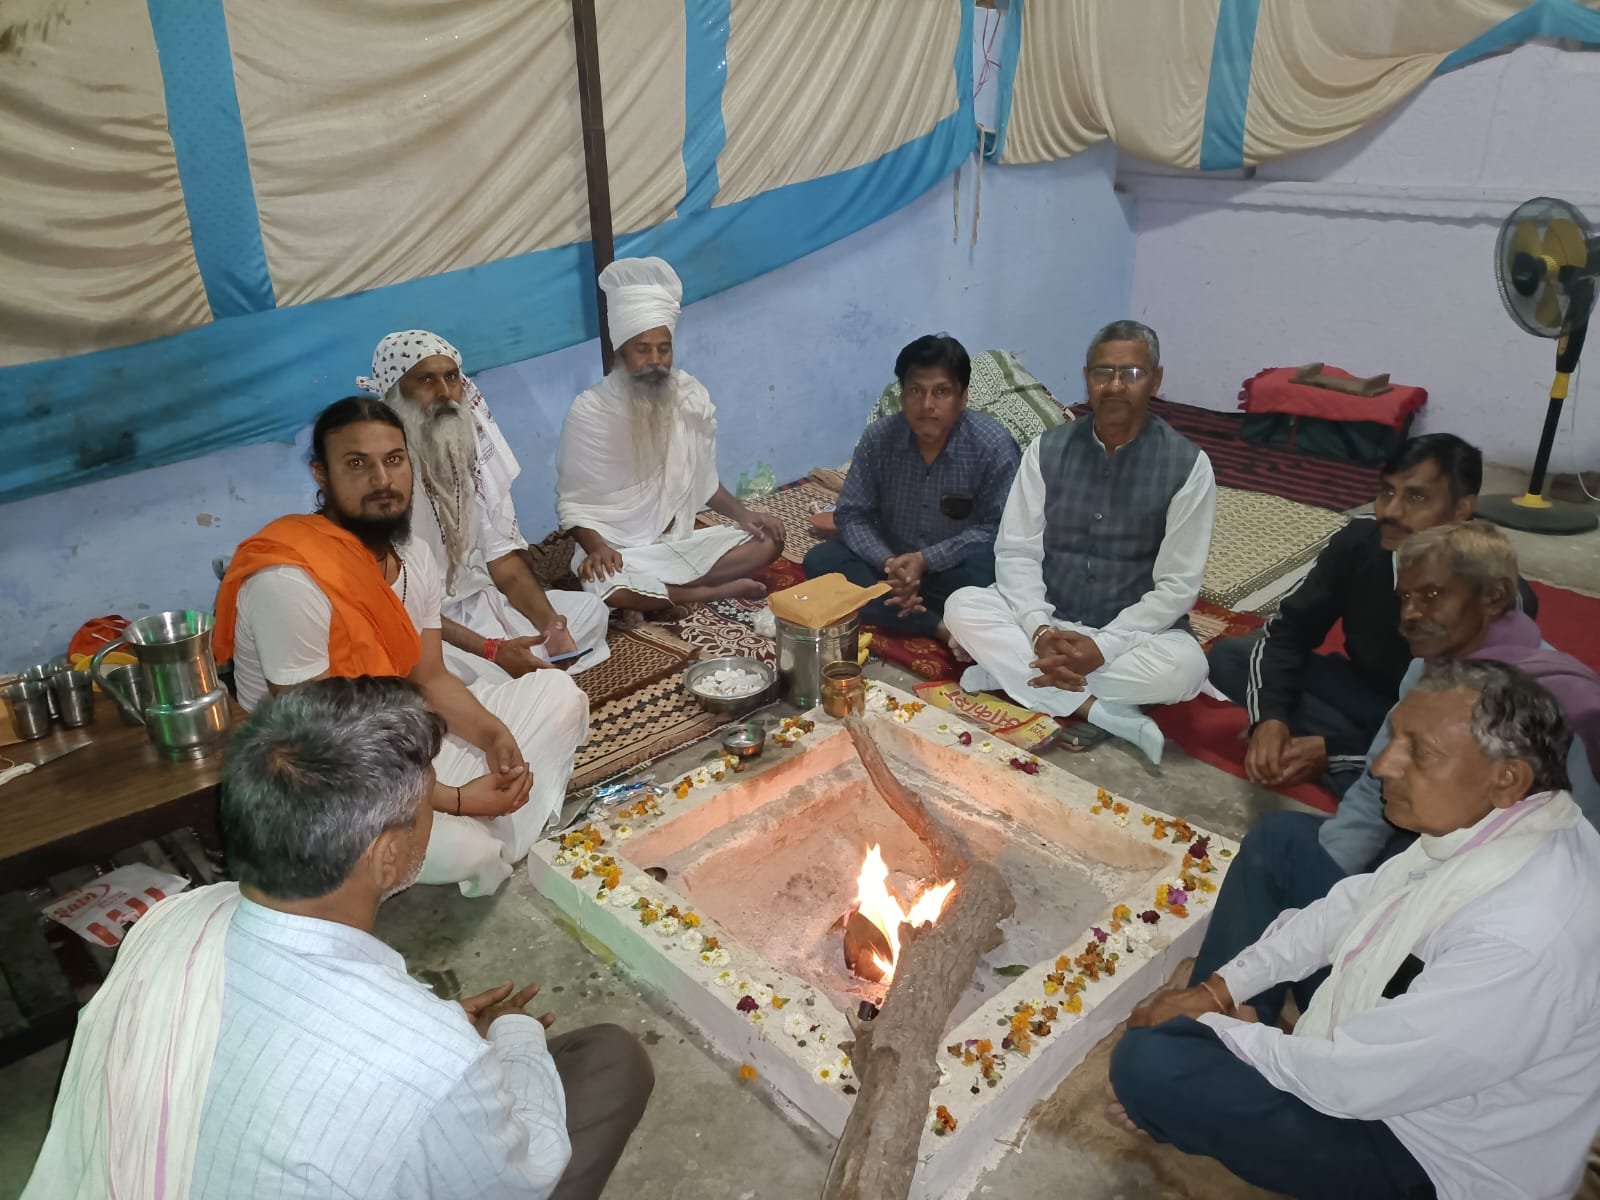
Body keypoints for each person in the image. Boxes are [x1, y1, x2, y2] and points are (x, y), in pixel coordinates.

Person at [23, 678, 652, 1200]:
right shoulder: (432, 1059)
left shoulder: (172, 918)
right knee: (610, 1059)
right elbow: (527, 1176)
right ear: (388, 854)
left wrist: (429, 1041)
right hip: (430, 1082)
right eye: (426, 806)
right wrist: (509, 1038)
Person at [1109, 660, 1600, 1200]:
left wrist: (1230, 1035)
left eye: (1420, 752)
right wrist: (1217, 992)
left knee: (1147, 1065)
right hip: (1405, 1043)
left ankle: (1201, 1069)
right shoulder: (1503, 822)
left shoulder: (1522, 939)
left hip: (1427, 1152)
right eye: (1396, 738)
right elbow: (1359, 904)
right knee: (1282, 842)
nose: (1384, 764)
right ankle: (1221, 1043)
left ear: (1507, 779)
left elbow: (1351, 1080)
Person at [1189, 522, 1600, 1029]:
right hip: (1417, 875)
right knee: (1286, 848)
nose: (1410, 613)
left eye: (1431, 596)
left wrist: (1369, 917)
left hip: (1476, 940)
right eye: (1405, 597)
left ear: (1494, 597)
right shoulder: (1430, 669)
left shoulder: (1562, 707)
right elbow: (1371, 792)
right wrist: (1322, 893)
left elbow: (1571, 867)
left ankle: (1248, 1027)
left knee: (1290, 882)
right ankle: (1229, 1012)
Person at [214, 398, 590, 897]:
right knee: (472, 852)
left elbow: (429, 677)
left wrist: (493, 735)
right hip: (320, 779)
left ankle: (458, 835)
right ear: (321, 474)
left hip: (398, 738)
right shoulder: (290, 580)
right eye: (357, 463)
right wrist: (454, 798)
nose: (382, 480)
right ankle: (471, 836)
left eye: (394, 460)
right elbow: (317, 742)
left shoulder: (414, 555)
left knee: (560, 694)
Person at [943, 320, 1216, 764]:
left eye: (1132, 373)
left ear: (1156, 380)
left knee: (1186, 670)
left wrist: (1103, 647)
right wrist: (1039, 630)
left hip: (1130, 635)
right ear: (1087, 377)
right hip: (1048, 621)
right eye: (1103, 372)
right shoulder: (1046, 450)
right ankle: (1101, 711)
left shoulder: (1188, 466)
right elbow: (1017, 551)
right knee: (962, 606)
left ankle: (1008, 674)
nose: (1115, 386)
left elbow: (1177, 586)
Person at [1209, 433, 1539, 796]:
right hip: (1362, 692)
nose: (1390, 512)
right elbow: (1288, 632)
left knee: (1451, 775)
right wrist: (1270, 720)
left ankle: (1352, 762)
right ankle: (1354, 763)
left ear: (1462, 510)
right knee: (1233, 657)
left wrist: (1334, 750)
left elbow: (1469, 725)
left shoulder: (1494, 595)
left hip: (1435, 719)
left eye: (1416, 497)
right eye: (1386, 492)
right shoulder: (1360, 541)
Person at [359, 329, 611, 684]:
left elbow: (503, 562)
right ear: (394, 393)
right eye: (426, 380)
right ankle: (509, 676)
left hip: (483, 605)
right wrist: (490, 650)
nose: (444, 392)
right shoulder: (380, 482)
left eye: (451, 378)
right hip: (425, 626)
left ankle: (520, 673)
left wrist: (550, 625)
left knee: (590, 611)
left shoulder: (471, 458)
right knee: (446, 669)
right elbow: (400, 602)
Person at [555, 257, 784, 617]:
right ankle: (711, 590)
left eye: (663, 348)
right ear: (621, 352)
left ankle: (666, 593)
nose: (655, 360)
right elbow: (575, 505)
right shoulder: (590, 411)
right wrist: (597, 549)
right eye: (642, 349)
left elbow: (702, 480)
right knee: (609, 586)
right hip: (619, 550)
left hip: (676, 542)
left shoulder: (688, 396)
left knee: (768, 541)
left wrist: (744, 515)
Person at [802, 334, 1020, 644]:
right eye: (916, 390)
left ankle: (897, 609)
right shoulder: (879, 439)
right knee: (821, 562)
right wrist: (889, 563)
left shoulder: (992, 445)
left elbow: (998, 528)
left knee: (993, 579)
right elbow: (851, 515)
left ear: (963, 398)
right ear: (902, 396)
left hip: (954, 570)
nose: (927, 405)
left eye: (941, 392)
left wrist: (926, 560)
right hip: (890, 567)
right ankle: (936, 625)